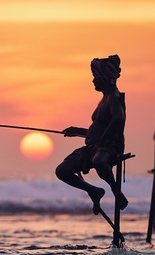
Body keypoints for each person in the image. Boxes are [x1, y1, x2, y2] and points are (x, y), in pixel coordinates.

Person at [55, 55, 129, 214]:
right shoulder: (104, 99)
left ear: (103, 78)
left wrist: (102, 139)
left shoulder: (114, 98)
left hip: (109, 148)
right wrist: (78, 131)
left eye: (95, 77)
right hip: (94, 147)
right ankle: (94, 191)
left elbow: (119, 118)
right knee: (62, 171)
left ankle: (117, 192)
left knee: (100, 162)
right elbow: (98, 130)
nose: (93, 81)